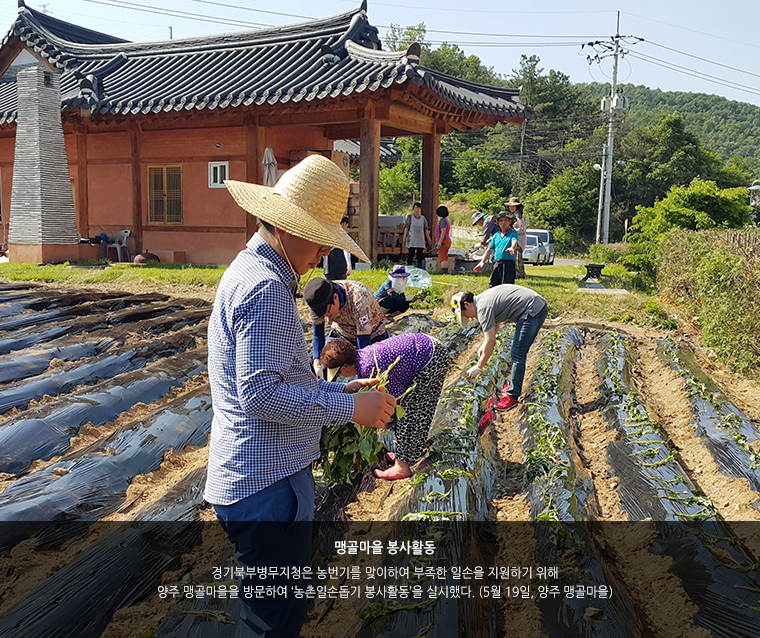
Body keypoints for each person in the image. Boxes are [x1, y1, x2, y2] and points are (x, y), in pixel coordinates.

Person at [206, 154, 397, 638]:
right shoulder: (266, 287)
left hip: (253, 480)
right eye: (320, 240)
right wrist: (351, 407)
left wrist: (336, 389)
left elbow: (276, 380)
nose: (322, 257)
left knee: (268, 613)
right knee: (272, 624)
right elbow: (261, 395)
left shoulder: (249, 271)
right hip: (265, 485)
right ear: (290, 228)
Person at [320, 333, 450, 480]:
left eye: (338, 374)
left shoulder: (369, 368)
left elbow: (398, 398)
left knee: (412, 410)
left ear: (343, 369)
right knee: (411, 409)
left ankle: (402, 467)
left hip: (431, 357)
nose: (341, 377)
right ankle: (407, 453)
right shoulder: (362, 357)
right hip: (428, 347)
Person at [451, 286, 548, 412]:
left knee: (518, 354)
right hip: (534, 304)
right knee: (516, 352)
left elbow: (491, 341)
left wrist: (479, 366)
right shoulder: (482, 300)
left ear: (467, 304)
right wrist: (483, 345)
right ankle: (513, 385)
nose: (469, 318)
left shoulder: (483, 308)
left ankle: (512, 396)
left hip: (533, 310)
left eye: (466, 315)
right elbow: (495, 325)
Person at [305, 277, 389, 379]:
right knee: (326, 366)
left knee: (374, 372)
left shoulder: (359, 299)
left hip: (372, 335)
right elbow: (318, 335)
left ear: (335, 297)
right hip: (342, 332)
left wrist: (362, 376)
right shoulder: (317, 301)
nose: (325, 316)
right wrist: (317, 362)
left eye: (327, 312)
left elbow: (364, 343)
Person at [475, 211, 519, 287]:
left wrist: (512, 248)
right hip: (497, 263)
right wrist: (482, 261)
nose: (503, 223)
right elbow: (489, 249)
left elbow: (514, 242)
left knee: (507, 286)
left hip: (508, 264)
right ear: (498, 223)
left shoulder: (513, 233)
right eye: (501, 221)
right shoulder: (496, 235)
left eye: (505, 220)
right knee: (493, 284)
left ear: (510, 222)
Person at [323, 216, 352, 281]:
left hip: (328, 267)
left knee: (329, 289)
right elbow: (346, 251)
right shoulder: (345, 236)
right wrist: (349, 265)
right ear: (344, 224)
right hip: (341, 267)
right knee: (340, 288)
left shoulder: (328, 234)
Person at [403, 202, 431, 269]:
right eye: (415, 208)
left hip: (420, 239)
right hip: (412, 238)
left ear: (421, 209)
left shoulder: (423, 218)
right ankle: (409, 268)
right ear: (413, 209)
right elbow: (406, 227)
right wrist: (404, 236)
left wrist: (428, 238)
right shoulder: (410, 217)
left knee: (420, 255)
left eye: (418, 208)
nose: (417, 210)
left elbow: (426, 229)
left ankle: (419, 268)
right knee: (411, 254)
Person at [507, 197, 527, 279]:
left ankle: (520, 275)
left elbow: (522, 229)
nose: (511, 208)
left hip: (519, 239)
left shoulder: (520, 216)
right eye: (510, 206)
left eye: (513, 206)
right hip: (514, 239)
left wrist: (513, 230)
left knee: (518, 259)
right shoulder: (513, 215)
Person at [434, 205, 452, 271]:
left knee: (442, 257)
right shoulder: (446, 220)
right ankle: (445, 270)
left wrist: (439, 242)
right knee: (445, 256)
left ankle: (443, 271)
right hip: (447, 240)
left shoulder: (443, 221)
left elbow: (443, 232)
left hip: (444, 241)